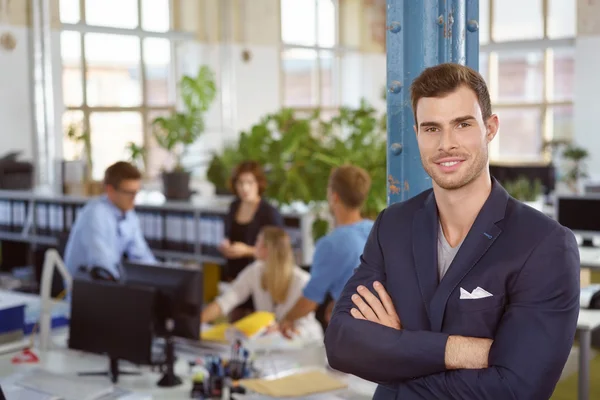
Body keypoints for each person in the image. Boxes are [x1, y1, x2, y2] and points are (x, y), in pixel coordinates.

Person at [324, 63, 580, 400]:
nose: (446, 144)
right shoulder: (393, 226)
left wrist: (397, 355)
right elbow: (342, 343)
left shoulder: (545, 244)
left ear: (490, 128)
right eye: (431, 128)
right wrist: (461, 350)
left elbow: (519, 388)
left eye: (462, 125)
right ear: (416, 133)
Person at [279, 165, 373, 336]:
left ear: (334, 197)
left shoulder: (331, 245)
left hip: (356, 335)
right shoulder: (376, 229)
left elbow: (310, 300)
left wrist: (286, 319)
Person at [202, 226, 323, 341]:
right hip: (270, 344)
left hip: (304, 343)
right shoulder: (255, 271)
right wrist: (198, 321)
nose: (254, 246)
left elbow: (300, 327)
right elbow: (227, 300)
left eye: (257, 241)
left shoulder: (302, 281)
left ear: (266, 249)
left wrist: (279, 330)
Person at [64, 161, 156, 279]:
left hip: (110, 284)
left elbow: (141, 255)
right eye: (129, 193)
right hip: (87, 287)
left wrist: (159, 276)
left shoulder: (129, 215)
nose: (134, 199)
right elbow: (102, 263)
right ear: (110, 190)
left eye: (136, 193)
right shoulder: (95, 213)